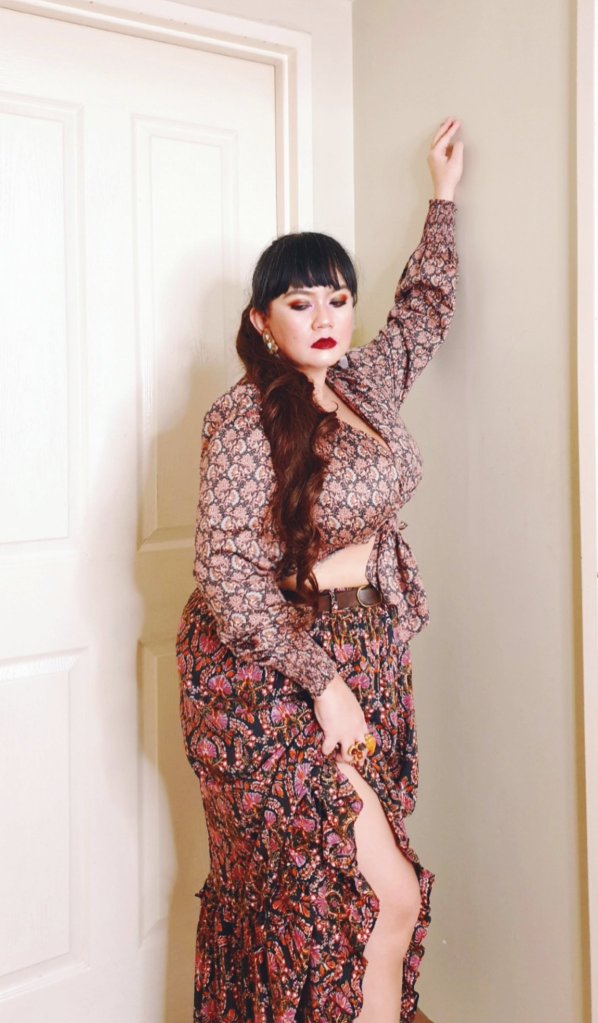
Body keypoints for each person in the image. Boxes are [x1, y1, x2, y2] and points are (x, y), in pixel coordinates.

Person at [176, 117, 464, 1023]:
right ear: (261, 321)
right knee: (366, 899)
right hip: (266, 678)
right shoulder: (242, 420)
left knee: (354, 909)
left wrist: (443, 198)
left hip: (360, 658)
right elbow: (227, 572)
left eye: (338, 298)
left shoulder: (363, 382)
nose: (326, 318)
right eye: (300, 303)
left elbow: (422, 313)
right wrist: (325, 678)